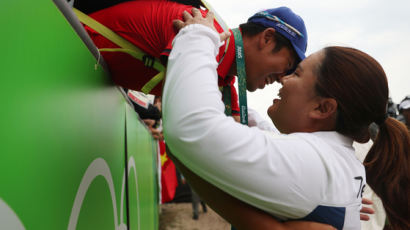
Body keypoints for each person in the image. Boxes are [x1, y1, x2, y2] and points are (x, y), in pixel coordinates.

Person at [162, 10, 410, 230]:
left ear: (323, 108)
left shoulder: (314, 164)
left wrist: (198, 37)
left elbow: (191, 128)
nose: (284, 79)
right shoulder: (335, 161)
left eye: (297, 73)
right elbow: (273, 144)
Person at [80, 0, 307, 121]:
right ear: (267, 39)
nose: (281, 80)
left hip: (77, 75)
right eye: (286, 67)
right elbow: (189, 124)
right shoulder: (197, 29)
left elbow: (239, 137)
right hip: (60, 44)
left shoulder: (223, 74)